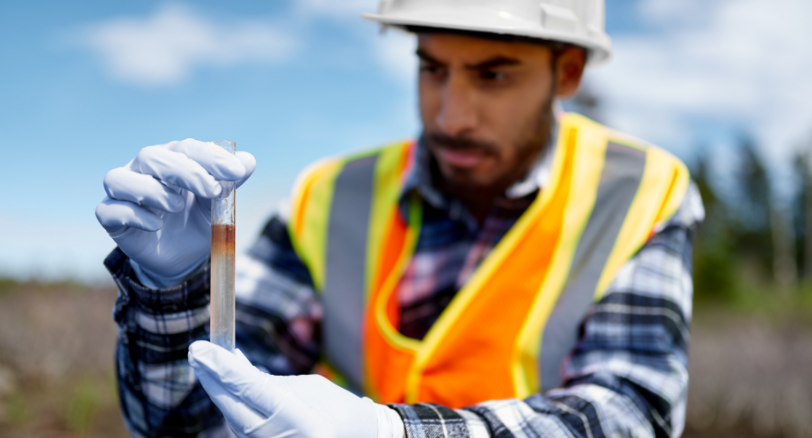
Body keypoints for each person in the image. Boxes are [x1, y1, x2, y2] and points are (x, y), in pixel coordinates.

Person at [95, 1, 704, 437]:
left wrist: (396, 434)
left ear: (567, 71)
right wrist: (173, 296)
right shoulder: (332, 195)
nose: (451, 116)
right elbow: (183, 424)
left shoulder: (639, 193)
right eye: (432, 68)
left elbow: (630, 414)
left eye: (492, 74)